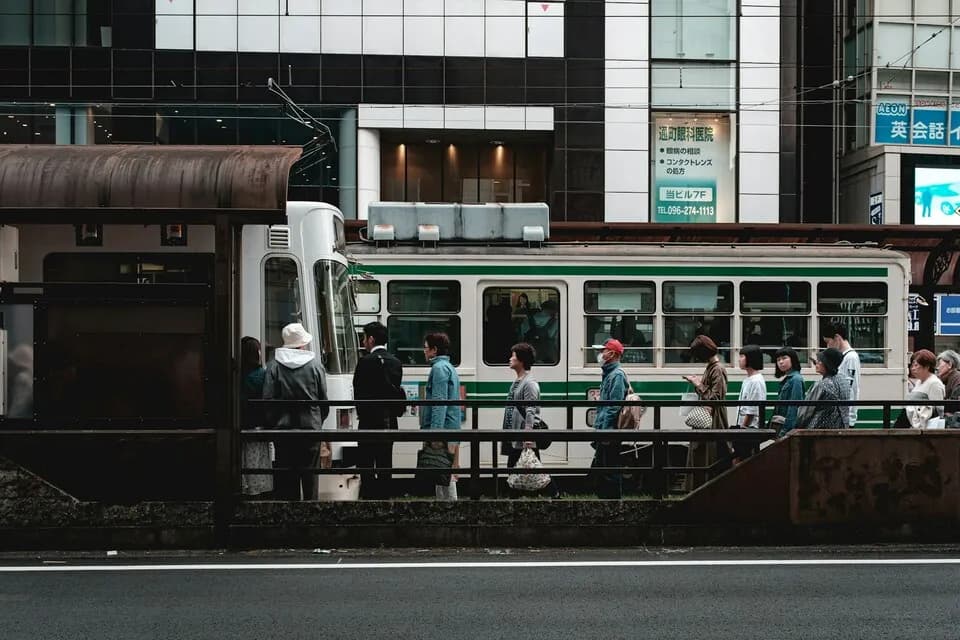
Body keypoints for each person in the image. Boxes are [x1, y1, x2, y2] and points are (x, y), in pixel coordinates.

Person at [262, 322, 329, 501]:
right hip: (310, 429)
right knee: (310, 478)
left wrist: (274, 423)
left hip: (283, 431)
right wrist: (317, 420)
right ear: (302, 344)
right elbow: (324, 402)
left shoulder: (273, 366)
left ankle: (290, 512)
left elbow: (267, 401)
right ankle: (310, 510)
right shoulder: (315, 366)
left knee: (286, 479)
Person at [500, 342, 561, 498]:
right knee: (527, 465)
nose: (510, 359)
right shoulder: (519, 381)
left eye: (513, 356)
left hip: (524, 434)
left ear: (521, 360)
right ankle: (550, 495)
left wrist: (528, 434)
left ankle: (552, 494)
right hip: (517, 433)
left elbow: (531, 409)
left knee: (521, 466)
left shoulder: (529, 383)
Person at [353, 321, 403, 499]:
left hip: (368, 421)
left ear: (371, 339)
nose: (363, 341)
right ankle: (384, 498)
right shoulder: (395, 362)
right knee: (385, 462)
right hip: (389, 421)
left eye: (365, 338)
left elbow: (358, 393)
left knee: (366, 462)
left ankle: (369, 497)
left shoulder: (364, 362)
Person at [683, 335, 730, 488]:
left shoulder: (717, 369)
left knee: (706, 454)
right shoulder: (713, 367)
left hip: (713, 418)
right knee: (703, 454)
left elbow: (716, 398)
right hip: (710, 417)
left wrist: (698, 384)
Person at [420, 332, 462, 501]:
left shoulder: (438, 369)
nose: (424, 351)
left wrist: (435, 433)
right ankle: (444, 508)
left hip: (443, 429)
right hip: (450, 427)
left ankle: (451, 508)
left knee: (444, 472)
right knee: (442, 471)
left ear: (434, 350)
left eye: (426, 348)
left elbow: (439, 402)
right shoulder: (448, 367)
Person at [592, 338, 629, 499]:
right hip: (605, 428)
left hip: (609, 430)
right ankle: (607, 501)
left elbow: (614, 406)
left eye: (603, 351)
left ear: (612, 354)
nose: (600, 354)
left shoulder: (616, 375)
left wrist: (605, 430)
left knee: (609, 468)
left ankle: (612, 502)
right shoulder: (609, 374)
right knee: (604, 467)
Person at [240, 336, 272, 497]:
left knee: (244, 461)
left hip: (242, 426)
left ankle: (245, 488)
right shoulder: (262, 375)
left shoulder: (237, 375)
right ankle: (256, 491)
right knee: (258, 462)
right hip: (259, 427)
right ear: (257, 353)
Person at [795, 348, 849, 429]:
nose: (816, 363)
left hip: (819, 430)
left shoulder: (822, 385)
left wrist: (796, 425)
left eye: (819, 361)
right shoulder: (843, 380)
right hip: (840, 429)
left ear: (827, 364)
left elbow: (804, 413)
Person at [822, 322, 860, 427]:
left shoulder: (850, 358)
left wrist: (849, 416)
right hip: (841, 415)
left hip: (844, 416)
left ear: (837, 338)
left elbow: (850, 388)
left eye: (828, 342)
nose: (827, 346)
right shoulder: (845, 356)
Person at [733, 344, 765, 463]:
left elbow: (752, 410)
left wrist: (743, 429)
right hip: (744, 428)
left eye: (742, 356)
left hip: (749, 429)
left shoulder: (756, 381)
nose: (739, 359)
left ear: (751, 358)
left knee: (743, 461)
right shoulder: (748, 379)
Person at [906, 349, 945, 428]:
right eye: (912, 365)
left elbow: (939, 409)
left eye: (916, 365)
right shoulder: (919, 382)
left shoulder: (934, 383)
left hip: (927, 427)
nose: (912, 368)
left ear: (927, 367)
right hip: (915, 425)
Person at [773, 347, 804, 438]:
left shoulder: (796, 379)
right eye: (778, 360)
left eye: (784, 358)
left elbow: (794, 407)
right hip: (781, 424)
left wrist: (786, 431)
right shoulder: (788, 379)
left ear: (793, 359)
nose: (781, 362)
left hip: (786, 428)